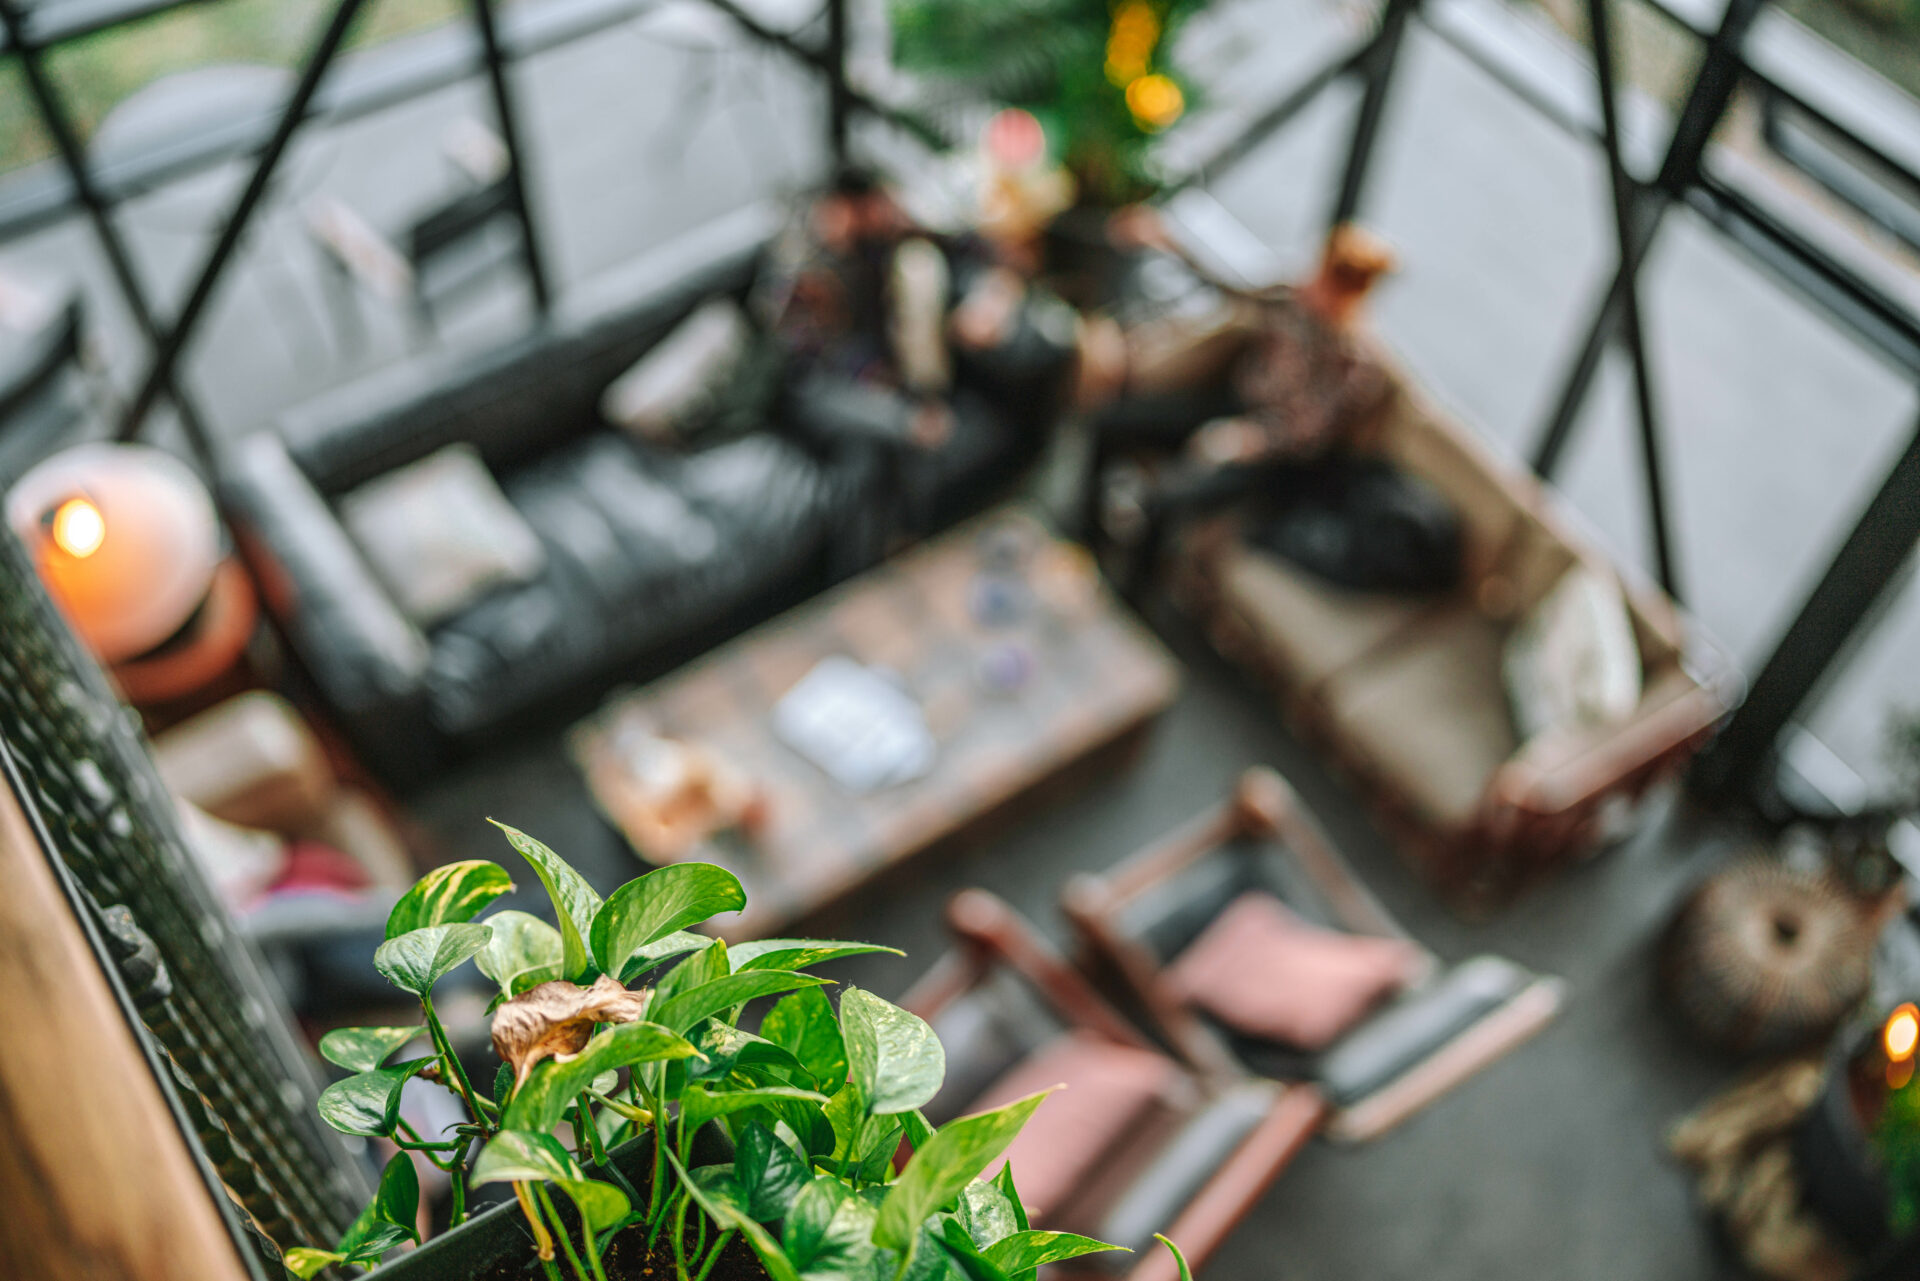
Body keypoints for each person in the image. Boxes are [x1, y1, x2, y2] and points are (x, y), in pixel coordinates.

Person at [1088, 220, 1463, 598]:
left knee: (1169, 500)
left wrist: (1246, 440)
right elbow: (1228, 287)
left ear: (1350, 294)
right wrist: (1168, 243)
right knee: (1109, 423)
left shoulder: (1356, 363)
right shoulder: (1288, 299)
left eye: (1326, 281)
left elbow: (1309, 432)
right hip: (1228, 404)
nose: (1312, 283)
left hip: (1274, 456)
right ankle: (1087, 538)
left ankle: (1129, 595)